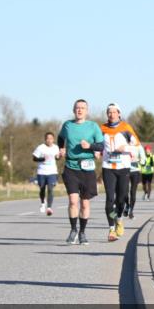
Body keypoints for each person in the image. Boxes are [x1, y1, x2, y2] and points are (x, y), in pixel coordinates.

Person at [58, 99, 105, 245]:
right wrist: (61, 148)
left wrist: (90, 146)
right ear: (73, 110)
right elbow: (60, 138)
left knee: (84, 204)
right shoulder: (67, 125)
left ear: (87, 111)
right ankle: (73, 230)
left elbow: (101, 145)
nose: (80, 110)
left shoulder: (93, 126)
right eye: (77, 108)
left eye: (83, 108)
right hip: (71, 166)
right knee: (73, 200)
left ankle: (83, 232)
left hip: (87, 168)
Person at [100, 103, 141, 242]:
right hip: (108, 168)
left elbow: (137, 146)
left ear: (119, 113)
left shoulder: (126, 128)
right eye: (109, 112)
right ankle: (111, 229)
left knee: (121, 199)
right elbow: (98, 144)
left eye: (114, 112)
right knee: (109, 200)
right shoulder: (102, 128)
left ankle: (119, 219)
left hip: (123, 167)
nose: (111, 114)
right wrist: (95, 152)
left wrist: (126, 147)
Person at [32, 132, 61, 216]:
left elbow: (57, 158)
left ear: (53, 139)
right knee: (42, 188)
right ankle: (42, 202)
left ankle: (49, 207)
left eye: (51, 138)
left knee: (50, 188)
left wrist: (59, 156)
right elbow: (34, 158)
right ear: (45, 139)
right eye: (47, 138)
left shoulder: (56, 147)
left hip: (52, 171)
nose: (49, 140)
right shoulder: (40, 147)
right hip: (41, 171)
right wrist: (42, 159)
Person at [125, 139, 146, 219]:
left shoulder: (138, 146)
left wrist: (142, 162)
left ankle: (131, 210)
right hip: (125, 170)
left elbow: (143, 158)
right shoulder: (124, 144)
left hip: (135, 171)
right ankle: (127, 205)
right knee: (124, 191)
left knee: (133, 191)